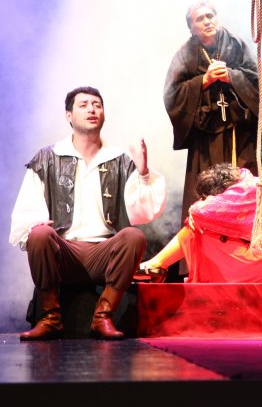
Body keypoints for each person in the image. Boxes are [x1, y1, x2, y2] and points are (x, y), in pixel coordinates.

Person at [9, 86, 166, 341]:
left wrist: (144, 172)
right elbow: (26, 209)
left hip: (104, 253)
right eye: (83, 105)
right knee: (38, 234)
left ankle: (103, 316)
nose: (92, 109)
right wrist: (36, 224)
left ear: (103, 114)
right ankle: (50, 318)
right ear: (68, 115)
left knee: (133, 236)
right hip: (64, 252)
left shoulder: (119, 159)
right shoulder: (48, 158)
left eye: (97, 105)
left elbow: (144, 212)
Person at [164, 0, 262, 223]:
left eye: (210, 16)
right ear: (191, 28)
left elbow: (260, 82)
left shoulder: (236, 44)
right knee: (207, 200)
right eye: (200, 19)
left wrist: (232, 76)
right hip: (205, 142)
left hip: (238, 135)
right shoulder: (185, 54)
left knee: (246, 198)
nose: (207, 21)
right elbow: (172, 95)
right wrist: (204, 80)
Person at [138, 163, 262, 283]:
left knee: (196, 228)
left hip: (259, 266)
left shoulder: (240, 192)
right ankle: (157, 263)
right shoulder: (249, 181)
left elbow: (197, 211)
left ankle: (157, 264)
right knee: (206, 228)